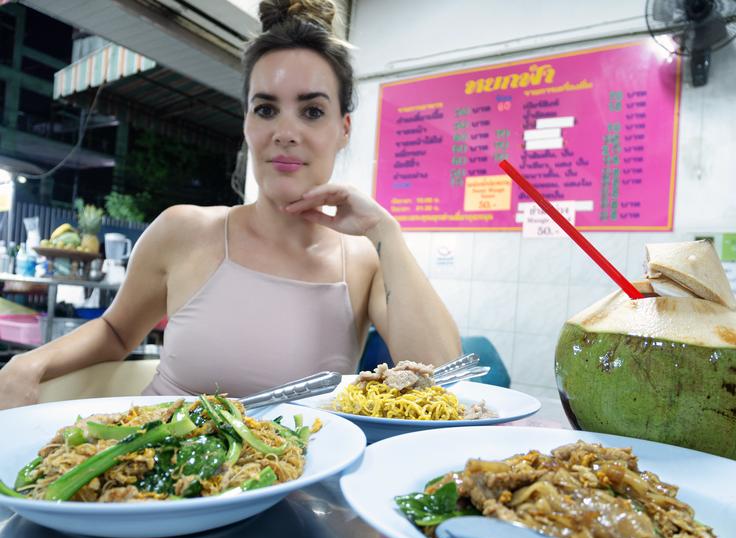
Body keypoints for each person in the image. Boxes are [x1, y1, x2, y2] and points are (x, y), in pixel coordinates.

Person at [0, 0, 460, 410]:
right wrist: (29, 363)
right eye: (265, 108)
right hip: (149, 477)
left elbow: (444, 377)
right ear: (246, 123)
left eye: (312, 111)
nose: (285, 131)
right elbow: (117, 332)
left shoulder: (363, 260)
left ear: (344, 129)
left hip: (292, 491)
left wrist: (386, 233)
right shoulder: (182, 230)